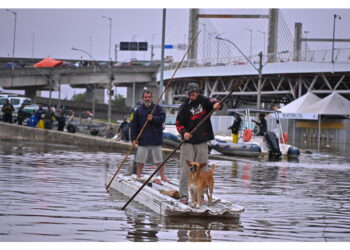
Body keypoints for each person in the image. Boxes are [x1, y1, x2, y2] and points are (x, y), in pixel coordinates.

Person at [175, 83, 222, 204]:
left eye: (193, 94)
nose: (191, 96)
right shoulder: (184, 106)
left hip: (202, 140)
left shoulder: (204, 101)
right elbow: (179, 123)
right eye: (189, 94)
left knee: (202, 169)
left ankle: (200, 197)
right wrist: (184, 133)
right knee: (186, 169)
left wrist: (217, 105)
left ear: (198, 93)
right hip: (188, 142)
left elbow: (216, 102)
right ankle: (184, 196)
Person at [130, 90, 168, 182]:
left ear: (151, 98)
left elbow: (162, 118)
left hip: (156, 138)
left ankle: (163, 176)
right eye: (145, 97)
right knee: (140, 159)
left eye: (149, 97)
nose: (147, 99)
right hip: (143, 138)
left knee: (159, 159)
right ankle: (138, 176)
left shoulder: (158, 108)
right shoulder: (138, 111)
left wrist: (153, 118)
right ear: (143, 98)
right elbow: (134, 125)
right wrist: (133, 139)